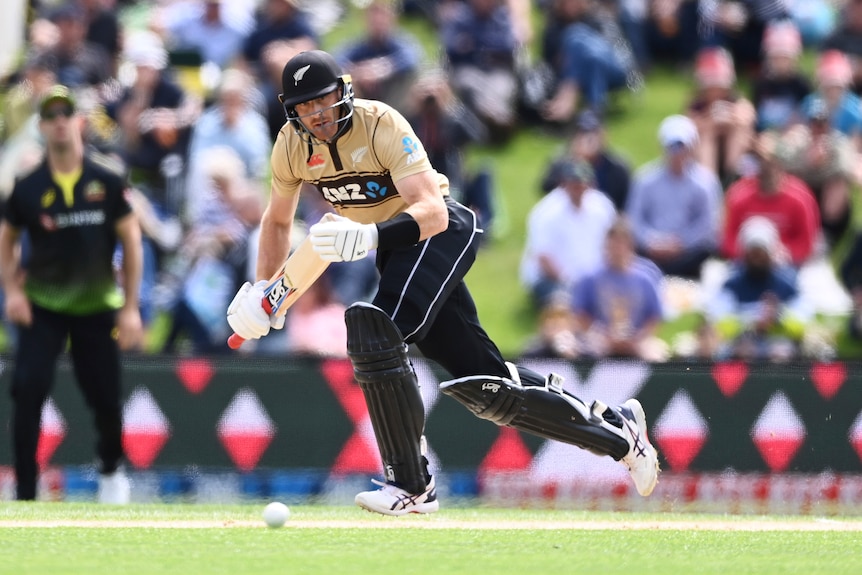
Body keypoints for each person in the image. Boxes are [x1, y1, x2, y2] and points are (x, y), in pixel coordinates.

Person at [225, 49, 659, 515]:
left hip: (439, 231)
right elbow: (276, 223)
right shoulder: (291, 145)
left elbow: (431, 211)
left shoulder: (381, 124)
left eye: (325, 100)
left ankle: (410, 483)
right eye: (305, 107)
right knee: (487, 387)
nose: (318, 115)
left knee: (375, 329)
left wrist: (369, 234)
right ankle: (618, 433)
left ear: (344, 92)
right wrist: (263, 292)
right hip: (394, 250)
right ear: (291, 112)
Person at [0, 85, 144, 502]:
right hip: (41, 306)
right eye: (51, 115)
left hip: (97, 305)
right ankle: (26, 490)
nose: (60, 122)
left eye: (66, 114)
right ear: (43, 126)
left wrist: (131, 307)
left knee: (104, 396)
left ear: (78, 122)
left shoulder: (108, 178)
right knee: (27, 390)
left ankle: (112, 472)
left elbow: (131, 241)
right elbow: (5, 238)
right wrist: (12, 291)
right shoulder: (28, 186)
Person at [625, 114, 723, 279]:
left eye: (682, 146)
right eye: (672, 147)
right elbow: (634, 219)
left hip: (689, 250)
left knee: (704, 250)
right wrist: (652, 242)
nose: (677, 153)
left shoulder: (705, 182)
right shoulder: (645, 179)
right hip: (651, 249)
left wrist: (681, 243)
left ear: (692, 147)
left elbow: (708, 224)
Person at [520, 159, 616, 309]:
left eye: (583, 183)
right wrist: (571, 282)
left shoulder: (603, 207)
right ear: (564, 184)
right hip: (553, 279)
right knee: (565, 304)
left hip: (594, 278)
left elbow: (612, 243)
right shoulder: (546, 212)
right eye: (574, 183)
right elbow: (543, 259)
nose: (579, 187)